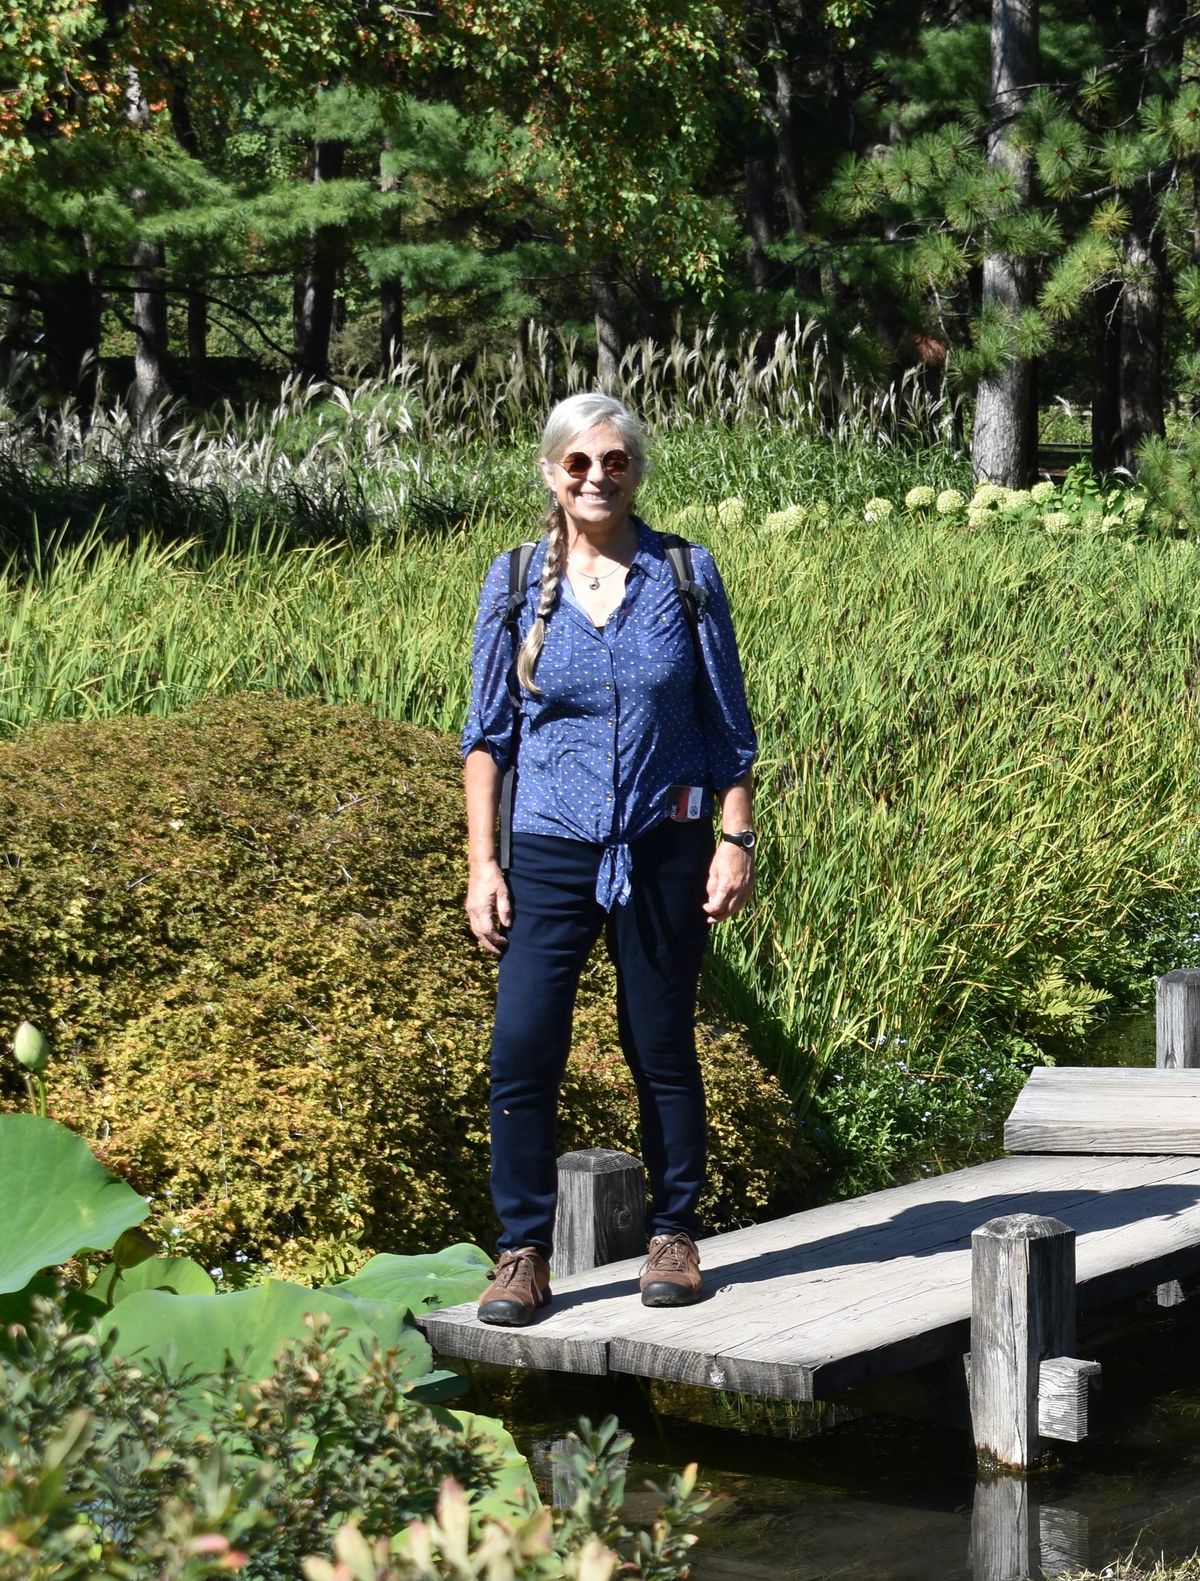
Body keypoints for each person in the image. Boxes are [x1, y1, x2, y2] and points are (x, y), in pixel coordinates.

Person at [461, 391, 757, 1326]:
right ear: (552, 471)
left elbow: (725, 730)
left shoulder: (684, 574)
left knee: (660, 1043)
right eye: (579, 462)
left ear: (636, 469)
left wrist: (735, 836)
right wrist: (485, 862)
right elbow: (486, 741)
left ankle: (674, 1232)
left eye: (615, 460)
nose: (598, 476)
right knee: (523, 1048)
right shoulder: (512, 582)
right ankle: (521, 1252)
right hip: (547, 847)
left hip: (665, 844)